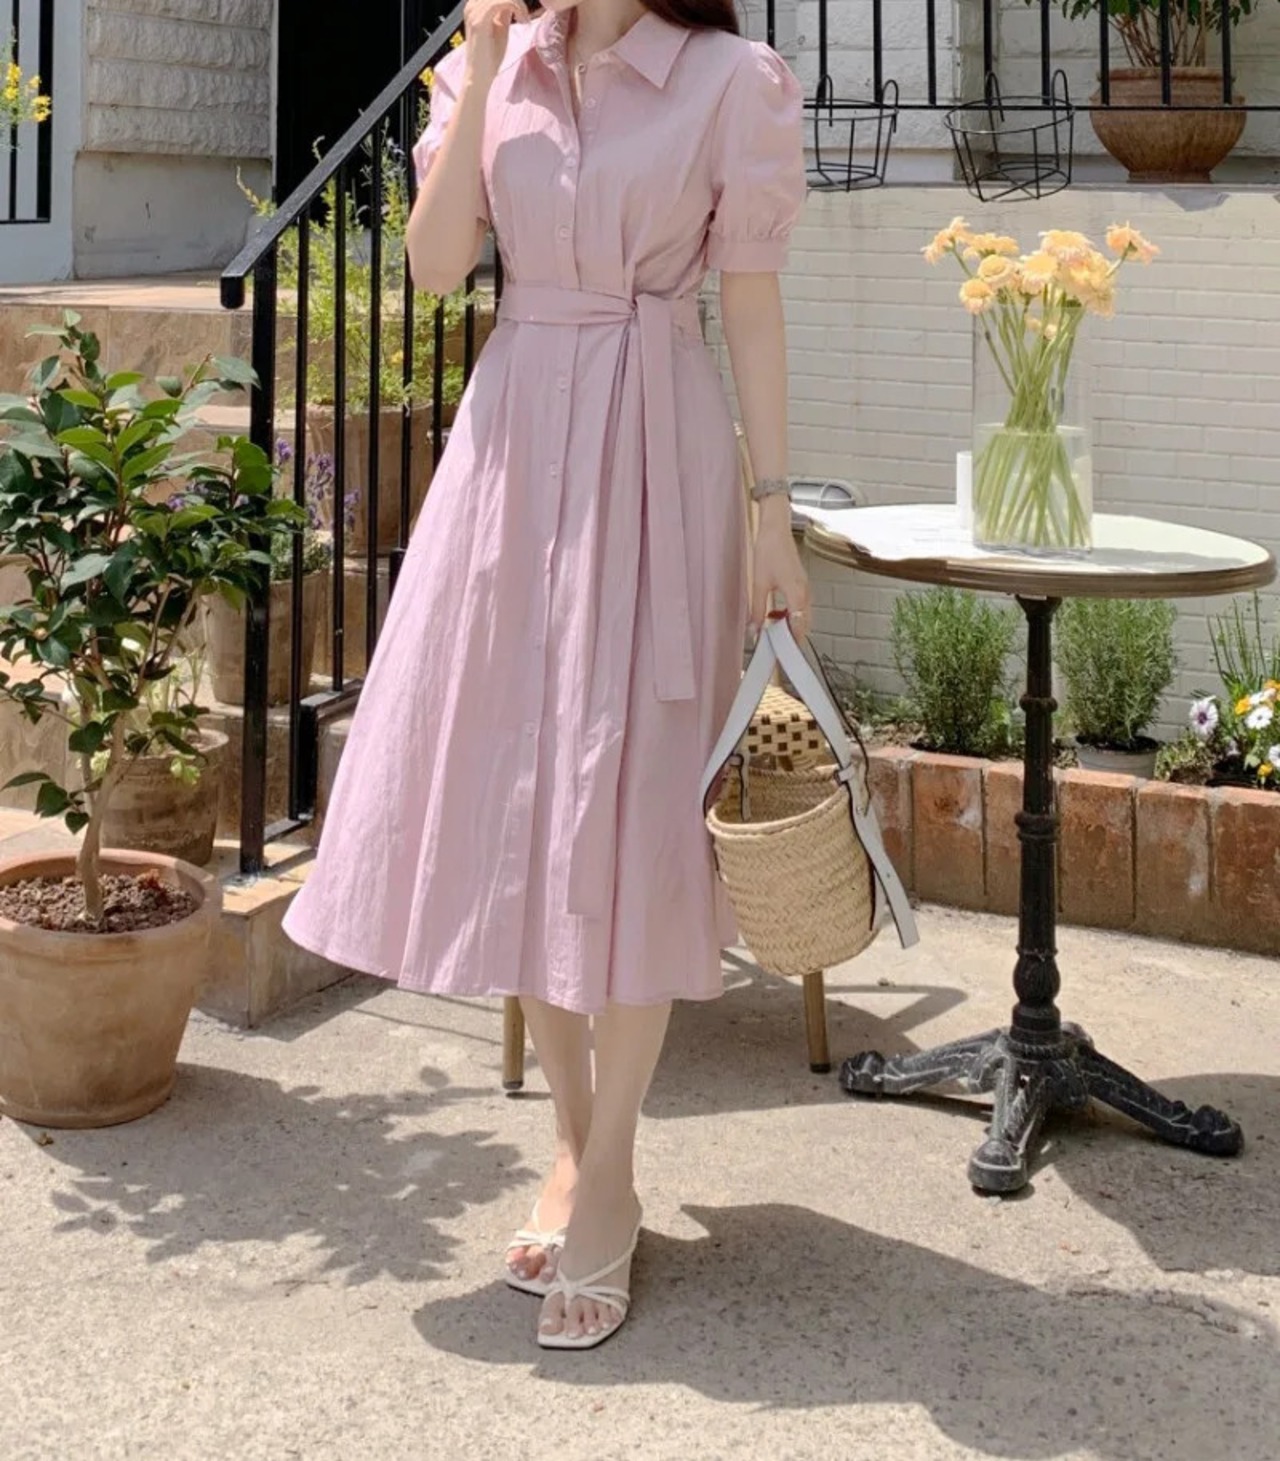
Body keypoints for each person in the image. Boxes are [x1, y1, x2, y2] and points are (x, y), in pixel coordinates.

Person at [283, 0, 809, 1350]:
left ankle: (614, 1165)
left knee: (628, 812)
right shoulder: (500, 66)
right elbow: (436, 264)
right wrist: (474, 60)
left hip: (653, 451)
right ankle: (574, 1144)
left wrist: (774, 511)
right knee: (523, 797)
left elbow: (750, 304)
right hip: (513, 455)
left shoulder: (729, 81)